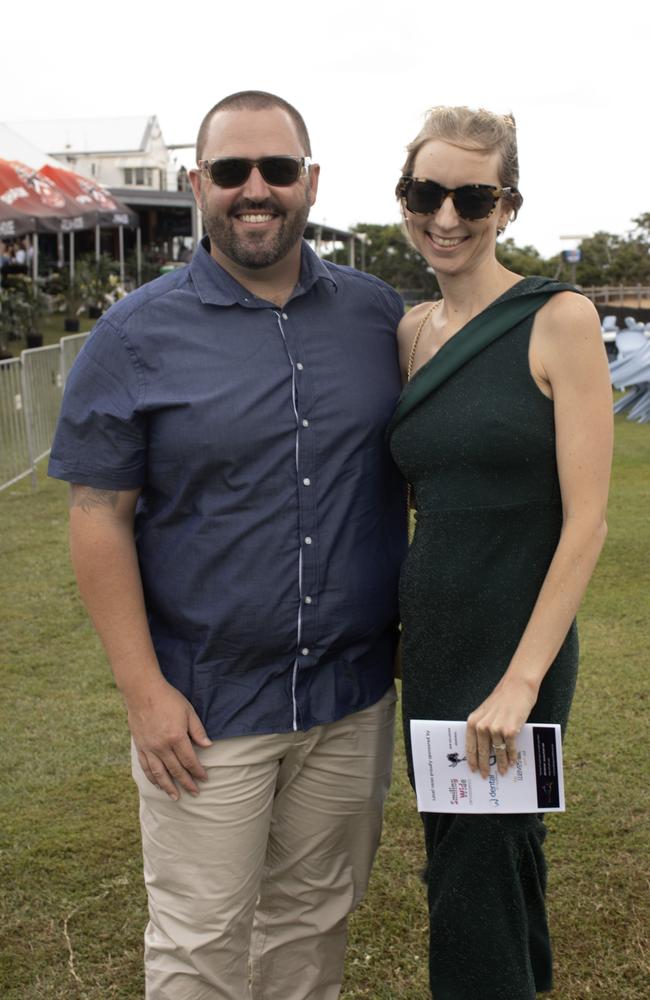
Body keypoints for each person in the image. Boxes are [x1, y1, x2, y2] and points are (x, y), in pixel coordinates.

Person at [48, 90, 407, 1000]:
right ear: (195, 182)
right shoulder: (133, 336)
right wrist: (143, 695)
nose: (258, 190)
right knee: (200, 944)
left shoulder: (379, 320)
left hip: (349, 698)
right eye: (233, 171)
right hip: (204, 714)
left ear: (311, 182)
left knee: (312, 924)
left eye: (278, 170)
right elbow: (98, 514)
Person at [387, 106, 612, 999]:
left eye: (471, 196)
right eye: (425, 192)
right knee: (471, 859)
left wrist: (522, 679)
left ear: (507, 205)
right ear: (404, 199)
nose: (446, 215)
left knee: (482, 859)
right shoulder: (408, 334)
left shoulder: (560, 318)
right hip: (433, 639)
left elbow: (587, 521)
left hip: (518, 644)